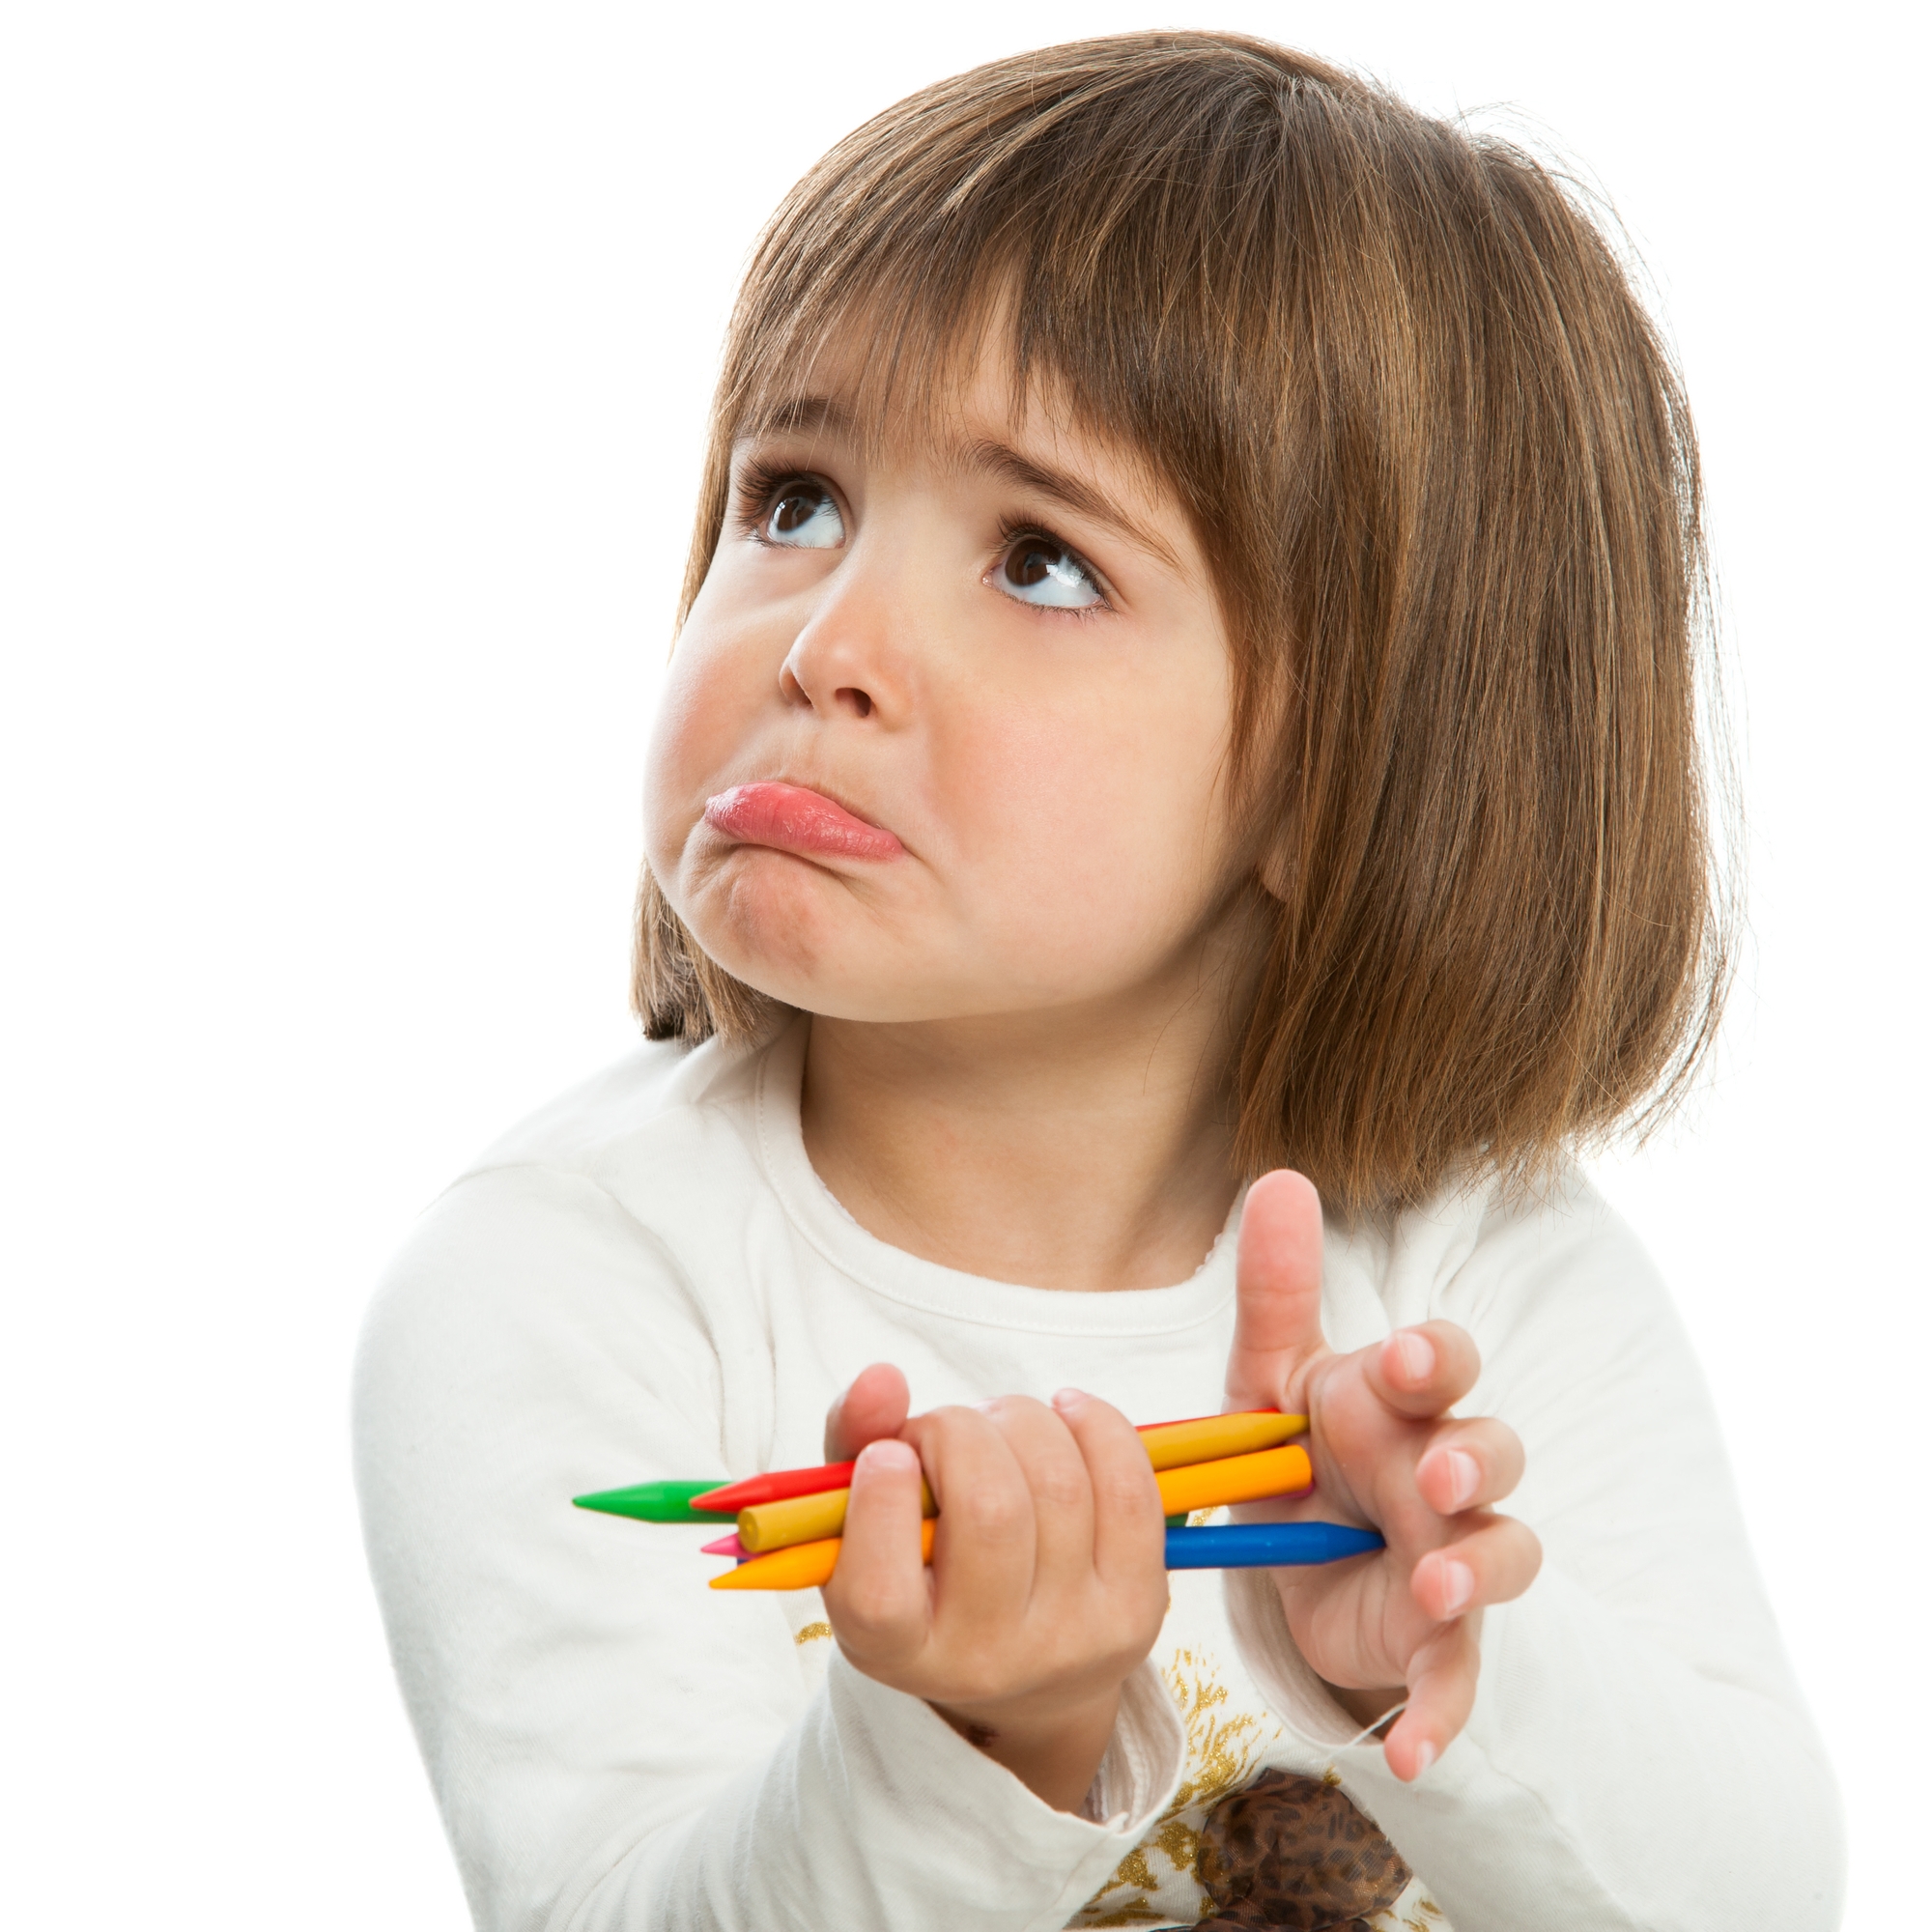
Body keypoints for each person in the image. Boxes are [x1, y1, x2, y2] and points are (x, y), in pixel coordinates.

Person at [354, 32, 1843, 1932]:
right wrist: (984, 1735)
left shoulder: (1484, 1270)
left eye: (1040, 560)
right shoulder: (563, 1279)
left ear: (1353, 773)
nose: (824, 642)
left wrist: (1431, 1663)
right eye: (794, 494)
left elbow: (1767, 1896)